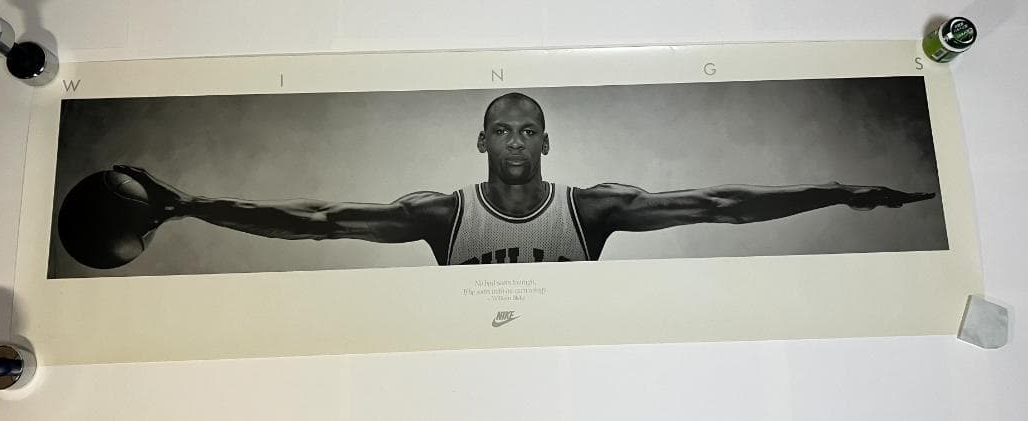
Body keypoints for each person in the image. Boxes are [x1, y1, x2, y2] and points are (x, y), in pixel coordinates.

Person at [114, 92, 935, 266]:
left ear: (546, 139)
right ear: (482, 142)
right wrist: (188, 205)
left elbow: (722, 206)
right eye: (501, 130)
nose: (515, 141)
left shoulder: (593, 208)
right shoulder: (440, 214)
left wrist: (839, 190)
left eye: (527, 129)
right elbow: (322, 219)